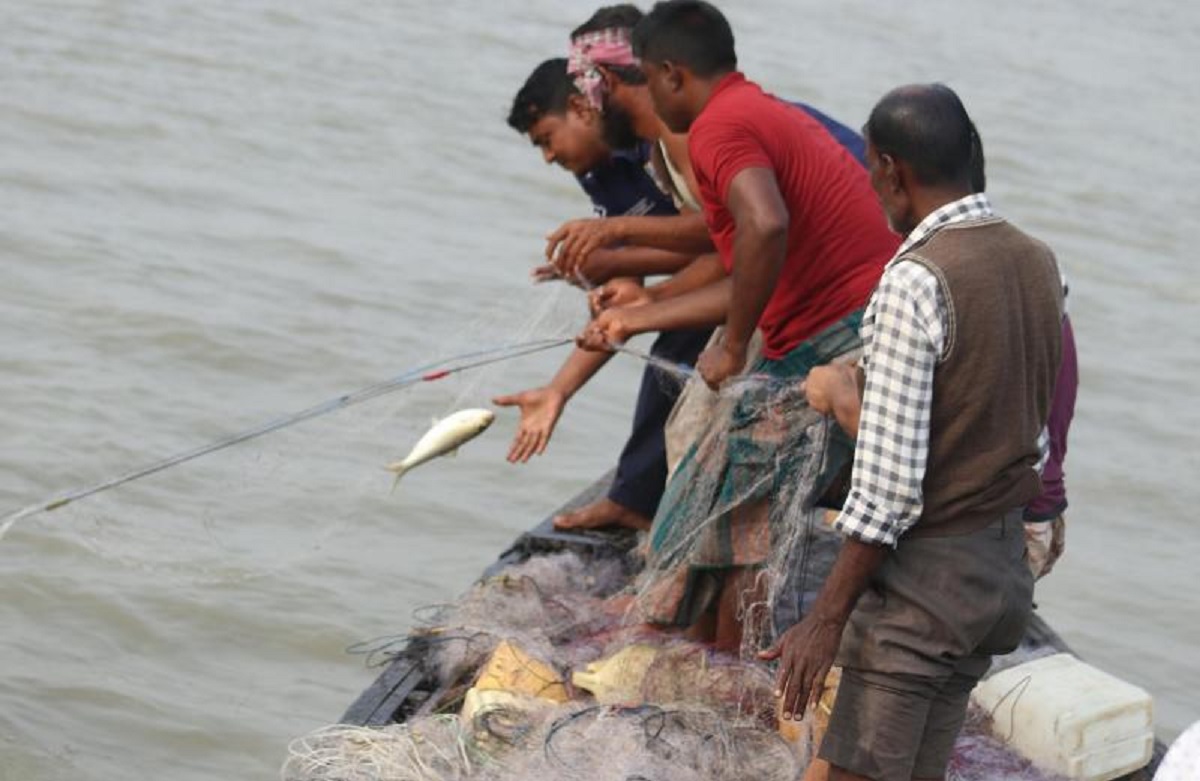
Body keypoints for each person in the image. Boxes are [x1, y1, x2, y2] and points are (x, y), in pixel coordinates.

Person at [762, 83, 1064, 781]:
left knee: (847, 771)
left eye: (872, 173)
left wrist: (825, 618)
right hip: (998, 577)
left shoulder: (915, 280)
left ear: (891, 169)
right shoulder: (1039, 261)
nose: (874, 189)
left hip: (928, 592)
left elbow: (889, 487)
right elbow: (1017, 417)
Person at [578, 0, 898, 652]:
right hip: (845, 323)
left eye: (642, 76)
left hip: (843, 333)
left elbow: (766, 223)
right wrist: (643, 313)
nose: (644, 94)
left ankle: (725, 677)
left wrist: (729, 347)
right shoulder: (756, 109)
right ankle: (694, 648)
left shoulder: (718, 129)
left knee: (738, 516)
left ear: (670, 74)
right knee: (702, 497)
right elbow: (746, 258)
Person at [495, 57, 712, 531]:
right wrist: (558, 391)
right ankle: (633, 500)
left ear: (582, 109)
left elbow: (721, 237)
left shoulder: (659, 141)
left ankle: (641, 503)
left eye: (547, 140)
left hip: (750, 264)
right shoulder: (596, 173)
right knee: (668, 338)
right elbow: (627, 302)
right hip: (714, 269)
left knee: (677, 344)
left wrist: (619, 264)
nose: (548, 158)